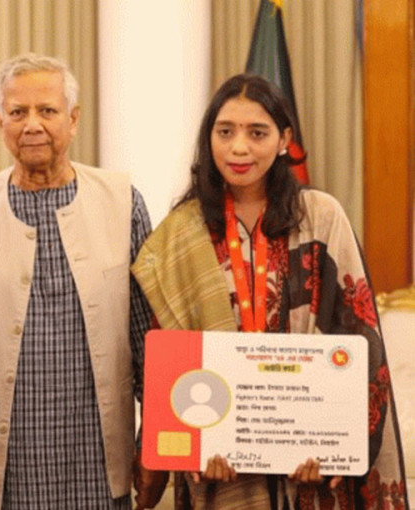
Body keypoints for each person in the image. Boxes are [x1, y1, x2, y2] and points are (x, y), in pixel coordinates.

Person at [131, 73, 409, 509]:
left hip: (309, 471)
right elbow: (166, 356)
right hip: (218, 475)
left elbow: (360, 335)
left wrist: (335, 442)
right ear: (209, 140)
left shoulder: (320, 216)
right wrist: (194, 447)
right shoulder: (182, 232)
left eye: (257, 133)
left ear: (284, 140)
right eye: (225, 132)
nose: (239, 148)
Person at [0, 53, 154, 510]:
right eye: (18, 112)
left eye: (47, 111)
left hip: (98, 461)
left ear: (73, 120)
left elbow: (147, 334)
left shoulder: (123, 204)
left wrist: (154, 443)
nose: (32, 124)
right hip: (5, 466)